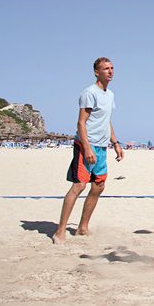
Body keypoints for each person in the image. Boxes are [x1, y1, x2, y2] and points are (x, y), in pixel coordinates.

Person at [53, 57, 124, 243]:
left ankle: (82, 227)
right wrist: (87, 148)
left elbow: (106, 121)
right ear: (96, 72)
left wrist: (115, 143)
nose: (110, 71)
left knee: (99, 185)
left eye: (112, 68)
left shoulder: (110, 95)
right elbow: (81, 122)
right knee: (79, 185)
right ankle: (60, 231)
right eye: (106, 68)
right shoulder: (89, 93)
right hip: (86, 145)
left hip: (102, 146)